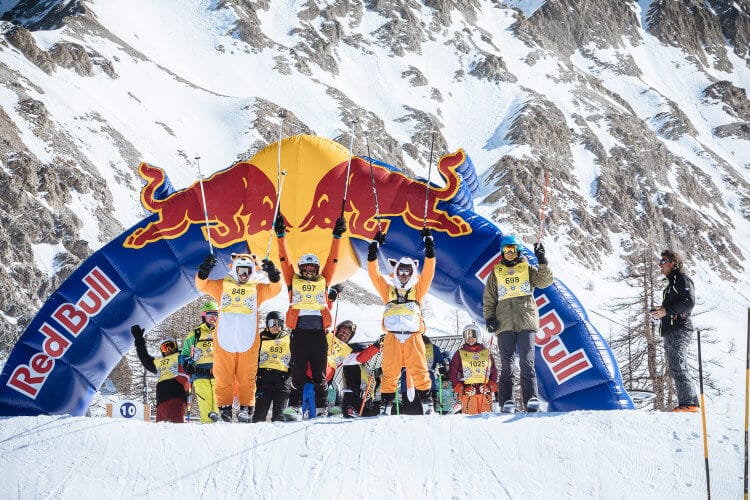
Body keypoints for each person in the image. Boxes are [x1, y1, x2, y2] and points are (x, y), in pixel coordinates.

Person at [275, 212, 346, 420]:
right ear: (300, 269)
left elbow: (333, 260)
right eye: (305, 268)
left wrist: (337, 236)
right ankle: (295, 407)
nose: (309, 272)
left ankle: (323, 407)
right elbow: (284, 260)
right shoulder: (293, 281)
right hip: (299, 333)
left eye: (312, 268)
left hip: (318, 334)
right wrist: (280, 235)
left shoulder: (324, 281)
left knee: (319, 373)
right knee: (298, 372)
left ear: (317, 269)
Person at [195, 252, 282, 422]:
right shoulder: (223, 286)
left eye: (247, 271)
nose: (244, 275)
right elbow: (202, 285)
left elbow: (275, 289)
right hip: (224, 341)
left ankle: (246, 409)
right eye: (240, 270)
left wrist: (273, 274)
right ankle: (224, 410)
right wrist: (204, 270)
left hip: (247, 341)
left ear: (252, 271)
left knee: (247, 378)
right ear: (234, 269)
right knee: (223, 377)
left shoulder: (257, 289)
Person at [367, 228, 436, 415]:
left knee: (419, 370)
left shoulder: (418, 290)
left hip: (413, 337)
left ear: (412, 272)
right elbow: (374, 275)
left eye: (407, 271)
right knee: (389, 372)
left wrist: (429, 247)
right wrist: (373, 250)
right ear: (396, 272)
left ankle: (427, 406)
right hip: (392, 338)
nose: (404, 274)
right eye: (401, 271)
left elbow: (429, 272)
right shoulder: (388, 291)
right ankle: (386, 407)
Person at [483, 235, 553, 412]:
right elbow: (489, 298)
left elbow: (545, 281)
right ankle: (507, 401)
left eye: (512, 250)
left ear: (518, 251)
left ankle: (531, 400)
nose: (509, 254)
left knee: (527, 362)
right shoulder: (496, 272)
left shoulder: (527, 269)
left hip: (526, 321)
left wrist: (542, 260)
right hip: (504, 323)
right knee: (507, 365)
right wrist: (490, 317)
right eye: (506, 251)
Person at [650, 249, 699, 412]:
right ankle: (690, 403)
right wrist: (660, 312)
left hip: (680, 327)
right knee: (675, 365)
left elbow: (688, 302)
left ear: (673, 263)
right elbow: (672, 308)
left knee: (678, 363)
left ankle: (689, 404)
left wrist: (666, 311)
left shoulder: (682, 279)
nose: (660, 264)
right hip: (670, 330)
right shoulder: (670, 285)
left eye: (663, 261)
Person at [130, 327, 190, 423]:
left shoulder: (183, 359)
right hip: (161, 402)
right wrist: (139, 340)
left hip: (177, 399)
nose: (169, 350)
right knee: (162, 429)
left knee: (175, 427)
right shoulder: (161, 363)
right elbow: (145, 359)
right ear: (162, 351)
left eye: (171, 346)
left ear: (176, 347)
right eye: (165, 348)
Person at [331, 320, 382, 418]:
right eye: (342, 331)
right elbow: (352, 382)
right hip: (352, 399)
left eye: (347, 334)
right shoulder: (350, 362)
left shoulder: (362, 366)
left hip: (364, 402)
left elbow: (372, 383)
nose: (344, 334)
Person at [180, 301, 219, 423]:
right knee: (206, 407)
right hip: (200, 373)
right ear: (204, 316)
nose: (213, 318)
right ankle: (207, 428)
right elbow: (185, 353)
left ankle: (220, 430)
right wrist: (187, 364)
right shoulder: (195, 333)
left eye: (216, 315)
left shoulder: (222, 332)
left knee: (219, 406)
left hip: (218, 373)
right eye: (210, 315)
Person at [448, 323, 498, 415]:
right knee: (470, 420)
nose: (470, 337)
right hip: (468, 394)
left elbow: (493, 371)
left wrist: (489, 386)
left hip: (484, 393)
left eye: (473, 334)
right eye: (467, 334)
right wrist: (462, 388)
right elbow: (453, 373)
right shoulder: (459, 354)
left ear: (478, 335)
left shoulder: (486, 353)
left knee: (486, 419)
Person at [253, 311, 292, 422]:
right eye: (272, 323)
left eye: (279, 323)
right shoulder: (261, 338)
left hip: (283, 381)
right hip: (264, 380)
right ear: (267, 324)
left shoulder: (289, 338)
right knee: (259, 416)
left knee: (279, 417)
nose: (276, 326)